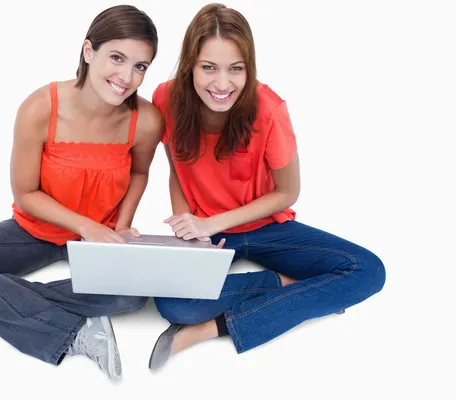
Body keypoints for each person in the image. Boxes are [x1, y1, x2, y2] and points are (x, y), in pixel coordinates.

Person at [0, 5, 163, 380]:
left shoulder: (147, 120)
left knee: (133, 296)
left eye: (140, 66)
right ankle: (77, 331)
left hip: (98, 238)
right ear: (88, 52)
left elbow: (139, 172)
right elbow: (26, 193)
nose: (127, 76)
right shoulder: (40, 107)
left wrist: (120, 226)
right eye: (116, 58)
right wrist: (86, 226)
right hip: (35, 229)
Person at [148, 3, 386, 370]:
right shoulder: (166, 98)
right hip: (207, 236)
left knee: (368, 270)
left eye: (236, 69)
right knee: (173, 305)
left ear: (249, 68)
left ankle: (212, 329)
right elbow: (175, 168)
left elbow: (287, 192)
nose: (222, 83)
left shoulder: (269, 109)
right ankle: (290, 285)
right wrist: (187, 223)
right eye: (208, 67)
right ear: (190, 65)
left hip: (266, 229)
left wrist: (213, 222)